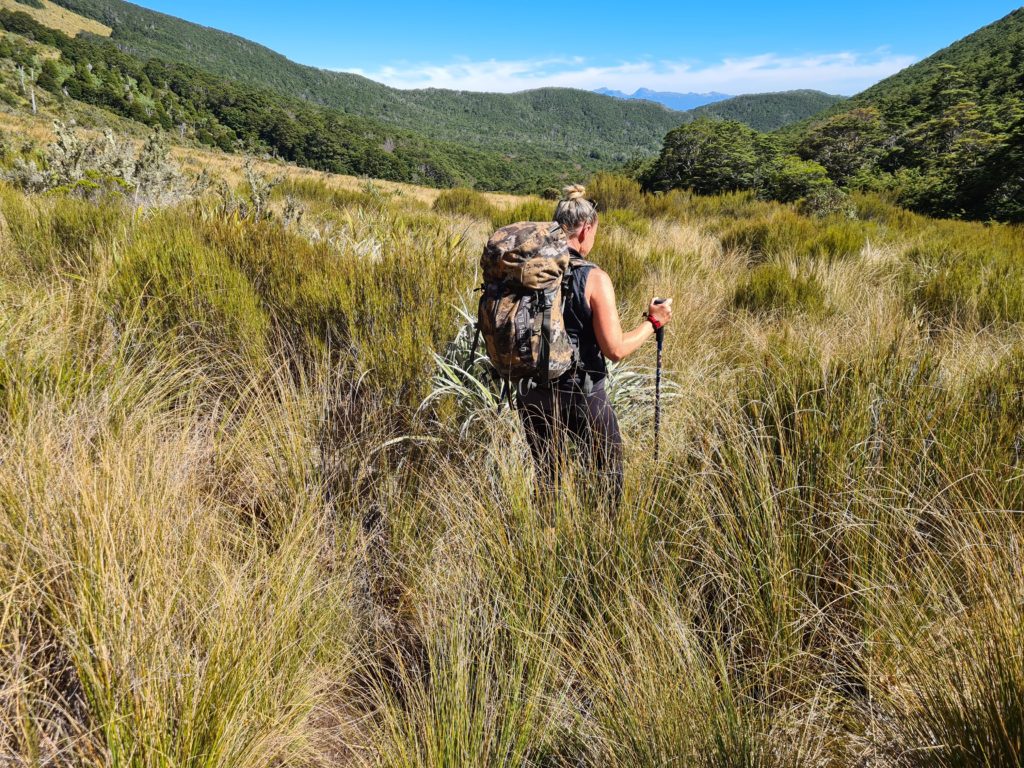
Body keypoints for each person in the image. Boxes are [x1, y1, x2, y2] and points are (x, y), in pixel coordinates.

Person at [516, 184, 673, 507]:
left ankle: (542, 544)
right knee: (608, 477)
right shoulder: (594, 278)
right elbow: (615, 349)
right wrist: (653, 323)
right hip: (581, 394)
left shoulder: (528, 270)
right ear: (586, 229)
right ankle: (603, 540)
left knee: (547, 476)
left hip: (531, 391)